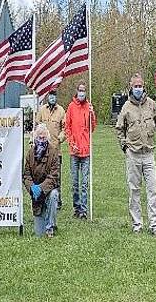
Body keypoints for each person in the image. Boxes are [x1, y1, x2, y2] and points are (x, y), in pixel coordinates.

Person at [115, 73, 156, 236]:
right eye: (135, 86)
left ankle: (154, 225)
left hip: (148, 153)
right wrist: (125, 147)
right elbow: (119, 129)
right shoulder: (126, 107)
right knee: (134, 190)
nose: (138, 88)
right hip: (133, 154)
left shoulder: (150, 104)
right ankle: (137, 224)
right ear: (131, 87)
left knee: (153, 190)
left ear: (144, 87)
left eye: (140, 86)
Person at [64, 82, 97, 219]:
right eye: (80, 90)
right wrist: (72, 143)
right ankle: (76, 207)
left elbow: (92, 128)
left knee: (84, 183)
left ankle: (83, 209)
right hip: (74, 152)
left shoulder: (88, 107)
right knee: (75, 183)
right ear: (77, 91)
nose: (82, 93)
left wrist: (92, 114)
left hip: (86, 151)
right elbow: (67, 128)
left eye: (84, 90)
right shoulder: (71, 107)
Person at [23, 124, 60, 237]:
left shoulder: (53, 152)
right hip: (36, 194)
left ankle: (50, 227)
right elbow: (26, 175)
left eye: (44, 138)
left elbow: (54, 176)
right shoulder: (30, 153)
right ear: (35, 138)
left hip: (48, 190)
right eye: (39, 137)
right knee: (39, 233)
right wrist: (32, 187)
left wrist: (41, 188)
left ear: (47, 138)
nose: (41, 140)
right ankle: (47, 221)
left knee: (54, 195)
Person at [34, 89, 65, 208]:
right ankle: (44, 197)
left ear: (56, 97)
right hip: (43, 151)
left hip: (56, 150)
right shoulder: (42, 110)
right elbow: (36, 126)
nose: (52, 97)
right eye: (50, 95)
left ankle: (57, 201)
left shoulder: (61, 110)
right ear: (48, 97)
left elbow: (65, 127)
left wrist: (60, 138)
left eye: (54, 95)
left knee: (56, 176)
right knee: (43, 175)